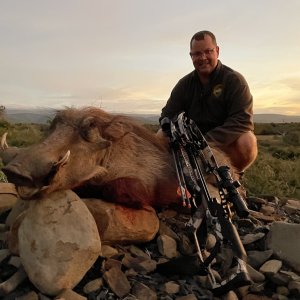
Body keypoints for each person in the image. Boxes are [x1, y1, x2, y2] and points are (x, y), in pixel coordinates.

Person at [159, 30, 257, 173]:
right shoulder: (184, 84)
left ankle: (234, 177)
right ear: (191, 56)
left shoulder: (234, 81)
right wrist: (183, 139)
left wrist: (204, 143)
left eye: (208, 51)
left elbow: (242, 121)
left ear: (217, 51)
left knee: (247, 141)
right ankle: (168, 176)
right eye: (197, 54)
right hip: (190, 145)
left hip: (222, 144)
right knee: (161, 134)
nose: (203, 57)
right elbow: (166, 116)